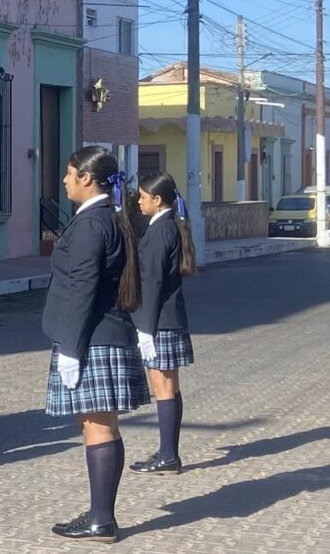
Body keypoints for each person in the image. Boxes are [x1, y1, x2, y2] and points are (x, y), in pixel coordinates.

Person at [43, 146, 149, 543]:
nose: (66, 180)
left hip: (92, 338)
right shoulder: (106, 217)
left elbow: (82, 288)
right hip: (102, 334)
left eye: (71, 174)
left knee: (98, 427)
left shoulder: (92, 224)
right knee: (101, 426)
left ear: (87, 178)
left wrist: (70, 347)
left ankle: (102, 519)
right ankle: (100, 512)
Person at [130, 172, 197, 476]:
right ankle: (169, 451)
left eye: (142, 196)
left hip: (160, 320)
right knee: (170, 386)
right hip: (168, 317)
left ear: (157, 201)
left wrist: (145, 327)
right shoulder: (170, 225)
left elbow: (152, 281)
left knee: (163, 387)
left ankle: (168, 455)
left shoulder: (160, 231)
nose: (139, 201)